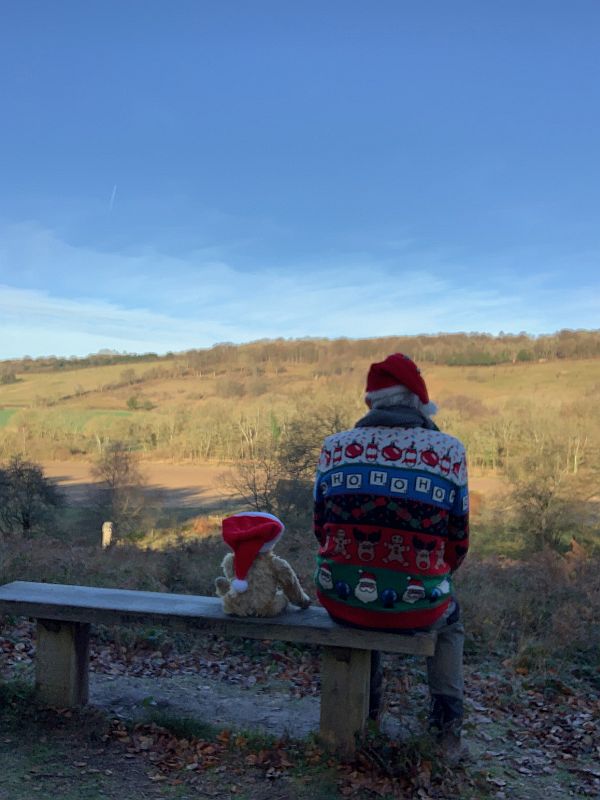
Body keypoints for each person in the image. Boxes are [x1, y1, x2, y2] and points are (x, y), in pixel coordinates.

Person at [313, 353, 469, 757]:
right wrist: (425, 570)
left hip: (340, 597)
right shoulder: (449, 451)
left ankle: (368, 716)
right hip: (421, 608)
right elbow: (458, 541)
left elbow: (319, 527)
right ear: (420, 403)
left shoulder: (334, 448)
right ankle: (446, 730)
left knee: (368, 589)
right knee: (449, 620)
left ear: (370, 403)